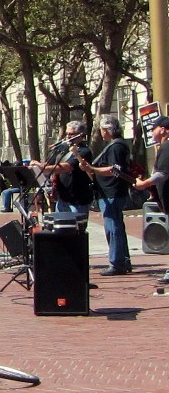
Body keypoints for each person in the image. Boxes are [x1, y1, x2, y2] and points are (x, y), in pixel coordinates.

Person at [77, 115, 131, 276]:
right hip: (109, 192)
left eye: (102, 129)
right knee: (116, 227)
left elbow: (114, 169)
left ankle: (117, 262)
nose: (101, 132)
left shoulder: (116, 147)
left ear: (107, 129)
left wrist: (93, 170)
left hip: (112, 193)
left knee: (112, 228)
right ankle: (123, 260)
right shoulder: (116, 145)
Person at [31, 121, 93, 217]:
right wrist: (38, 165)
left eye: (71, 134)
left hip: (77, 200)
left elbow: (67, 167)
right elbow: (50, 164)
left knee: (76, 228)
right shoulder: (63, 148)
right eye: (67, 133)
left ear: (80, 135)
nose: (68, 136)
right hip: (62, 198)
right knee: (60, 228)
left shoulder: (84, 151)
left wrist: (42, 167)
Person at [134, 116, 169, 284]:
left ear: (163, 129)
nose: (152, 132)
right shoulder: (163, 147)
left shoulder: (167, 146)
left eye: (153, 128)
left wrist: (144, 184)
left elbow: (163, 174)